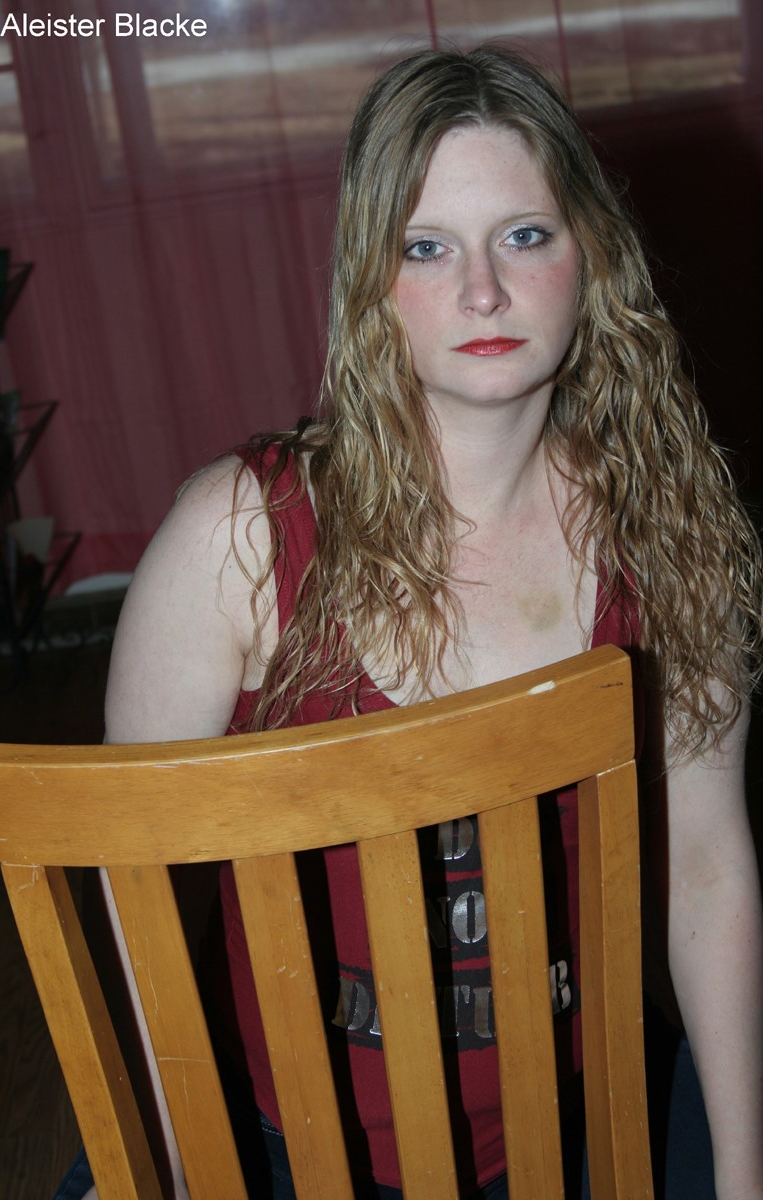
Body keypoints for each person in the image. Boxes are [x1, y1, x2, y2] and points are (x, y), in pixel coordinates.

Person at [79, 44, 763, 1200]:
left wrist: (742, 1174)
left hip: (586, 1126)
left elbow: (703, 864)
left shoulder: (670, 534)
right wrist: (175, 1163)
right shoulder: (238, 540)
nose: (482, 292)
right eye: (425, 247)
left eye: (524, 236)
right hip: (286, 1152)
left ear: (593, 257)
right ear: (367, 279)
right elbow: (131, 877)